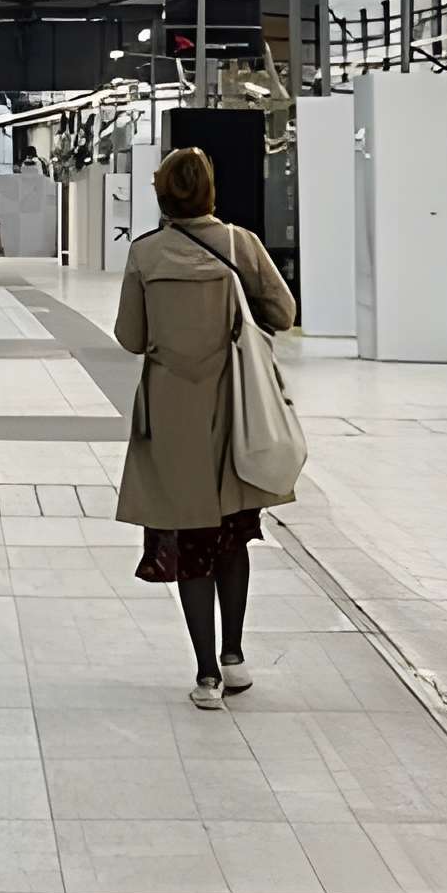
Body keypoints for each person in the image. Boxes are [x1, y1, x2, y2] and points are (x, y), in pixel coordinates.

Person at [113, 145, 298, 710]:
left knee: (191, 537)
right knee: (232, 535)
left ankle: (206, 675)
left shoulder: (145, 255)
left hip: (174, 418)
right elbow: (283, 313)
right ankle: (236, 656)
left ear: (162, 194)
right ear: (211, 191)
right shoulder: (242, 244)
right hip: (238, 409)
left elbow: (130, 336)